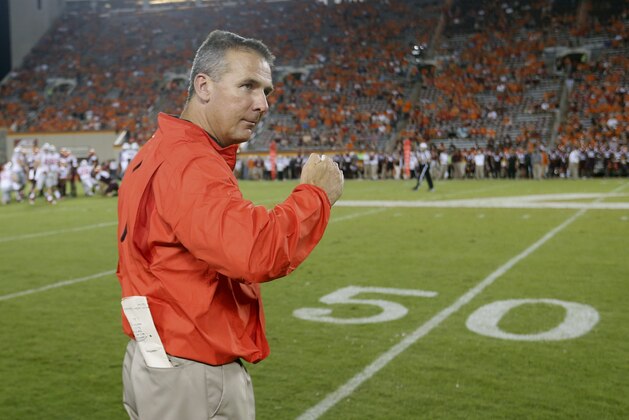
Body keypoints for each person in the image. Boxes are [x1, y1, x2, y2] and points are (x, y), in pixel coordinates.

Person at [117, 30, 344, 420]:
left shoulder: (161, 147)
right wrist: (316, 195)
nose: (262, 104)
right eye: (247, 86)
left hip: (154, 357)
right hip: (191, 370)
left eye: (266, 91)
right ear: (203, 86)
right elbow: (255, 251)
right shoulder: (191, 160)